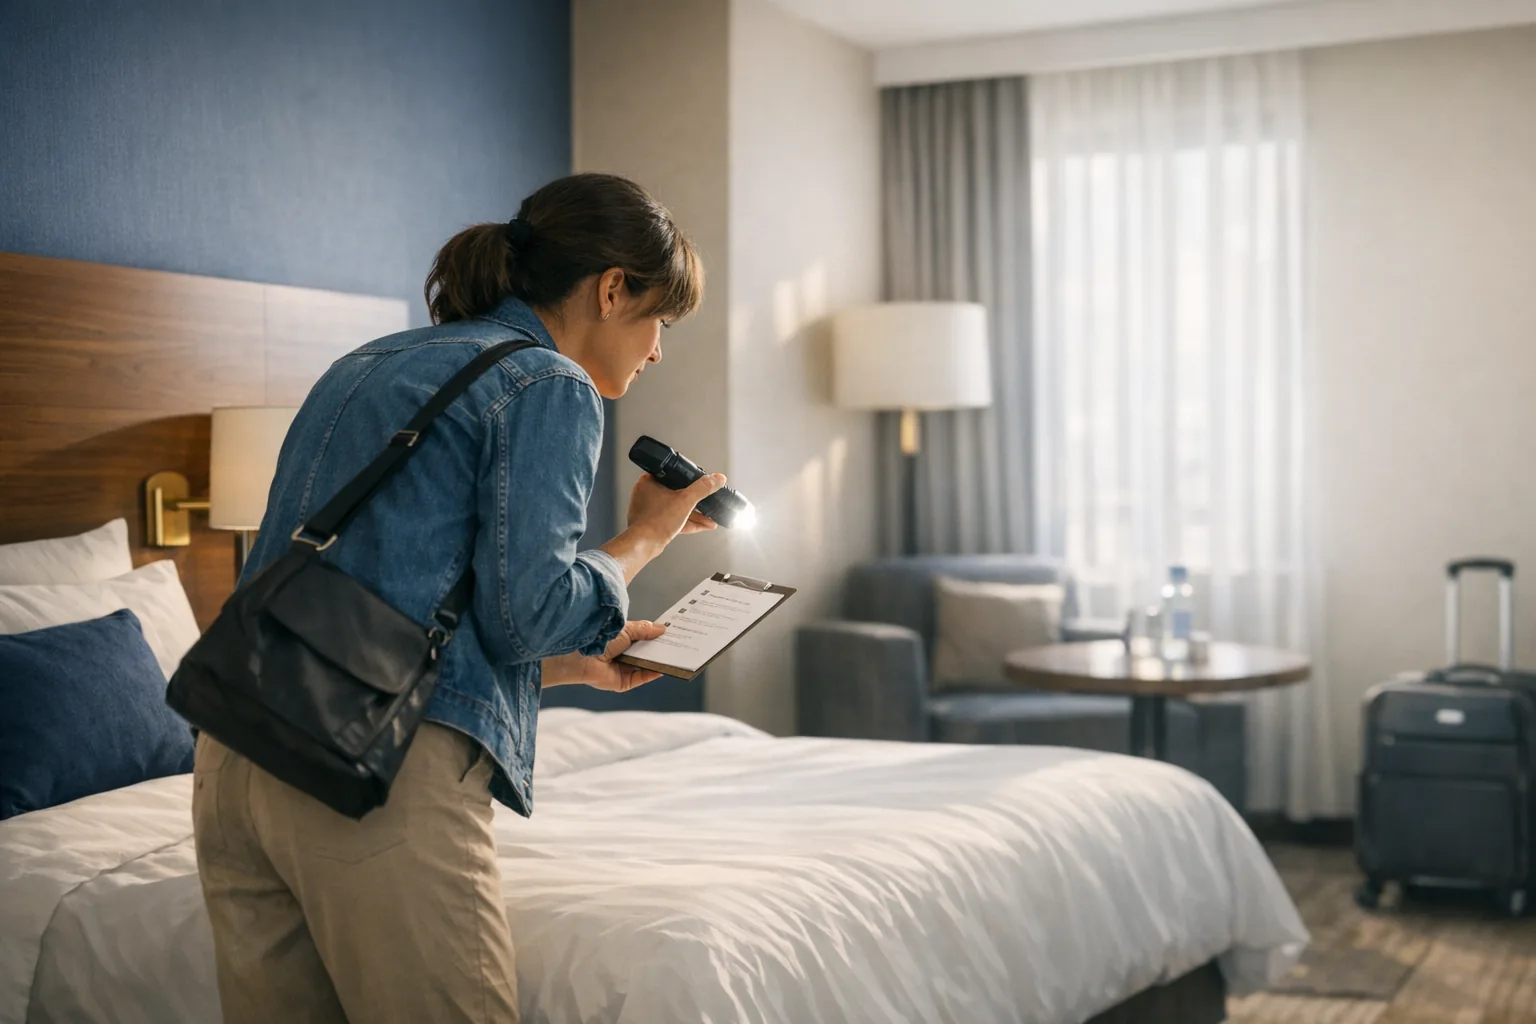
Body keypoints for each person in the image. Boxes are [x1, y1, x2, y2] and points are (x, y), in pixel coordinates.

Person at [191, 173, 719, 1023]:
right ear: (612, 289)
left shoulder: (367, 362)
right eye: (661, 319)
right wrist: (646, 538)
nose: (657, 350)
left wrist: (574, 667)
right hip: (376, 769)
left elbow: (385, 609)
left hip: (235, 751)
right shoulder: (548, 383)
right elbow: (528, 614)